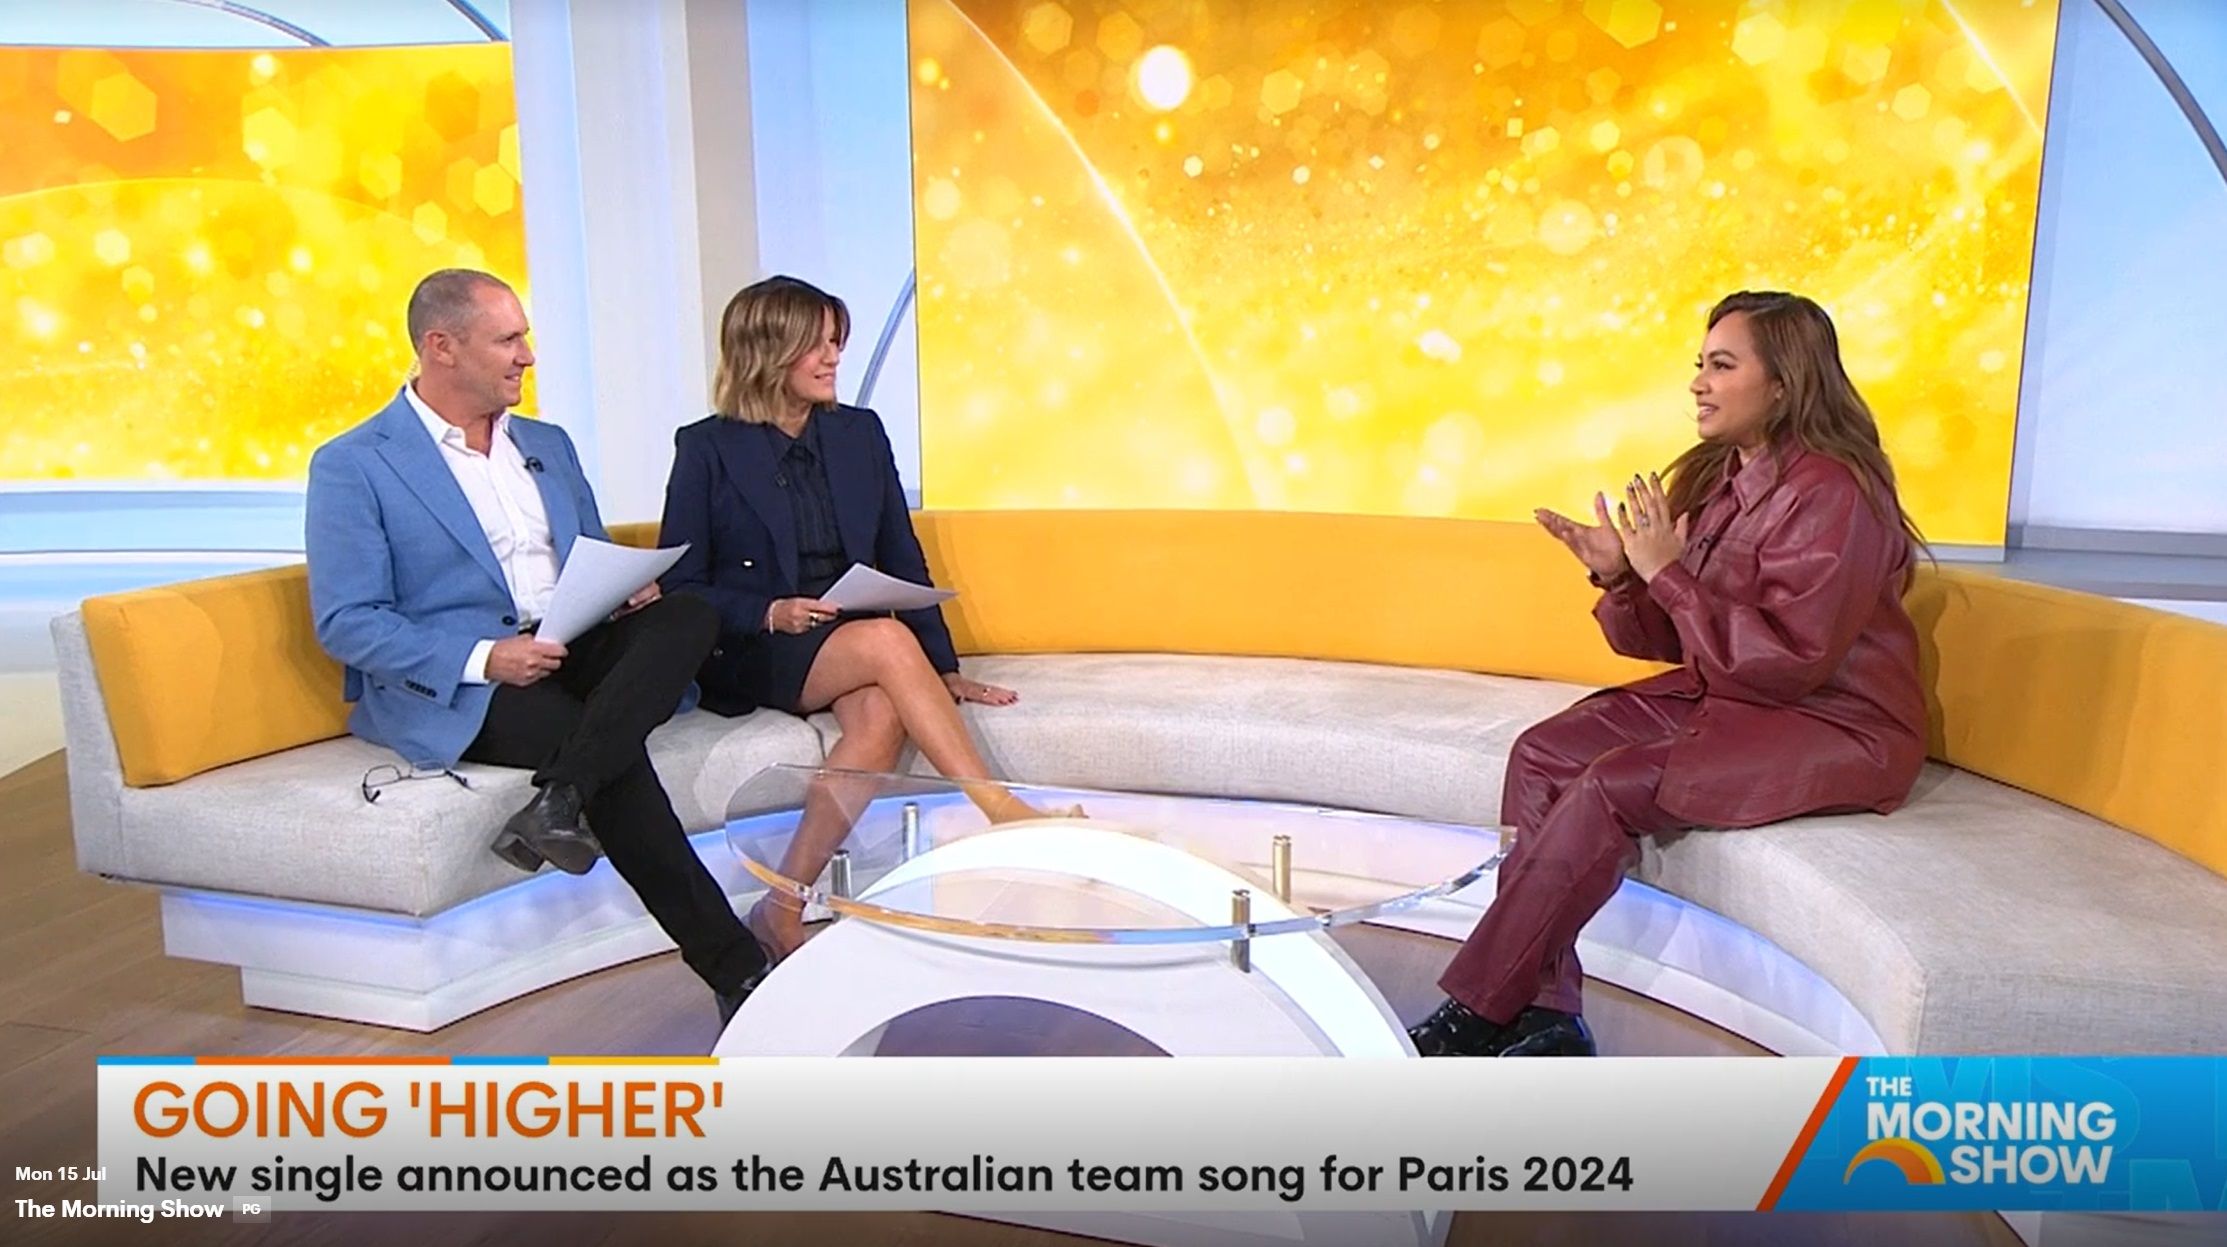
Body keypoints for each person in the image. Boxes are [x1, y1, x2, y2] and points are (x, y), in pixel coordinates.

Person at [1407, 290, 1929, 1057]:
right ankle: (1543, 1012)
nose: (1697, 383)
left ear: (1782, 383)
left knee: (1609, 785)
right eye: (1700, 364)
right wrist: (1624, 575)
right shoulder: (1717, 478)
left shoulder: (1835, 493)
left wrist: (1667, 574)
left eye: (1721, 365)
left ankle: (1474, 1012)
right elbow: (1664, 642)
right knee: (1543, 753)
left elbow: (1790, 663)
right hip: (1738, 694)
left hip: (1835, 721)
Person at [306, 268, 767, 1026]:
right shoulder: (355, 464)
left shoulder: (546, 443)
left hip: (572, 643)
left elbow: (587, 553)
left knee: (687, 615)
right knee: (610, 756)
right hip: (469, 680)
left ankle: (560, 797)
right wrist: (488, 658)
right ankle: (739, 969)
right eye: (509, 340)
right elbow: (349, 621)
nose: (527, 356)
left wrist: (622, 590)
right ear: (441, 346)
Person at [659, 275, 1068, 963]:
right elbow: (682, 582)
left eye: (835, 342)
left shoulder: (858, 432)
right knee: (883, 639)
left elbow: (899, 552)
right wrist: (770, 611)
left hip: (850, 636)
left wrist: (941, 669)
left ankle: (782, 906)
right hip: (758, 643)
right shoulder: (707, 447)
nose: (832, 357)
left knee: (879, 715)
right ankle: (999, 810)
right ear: (767, 350)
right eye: (815, 344)